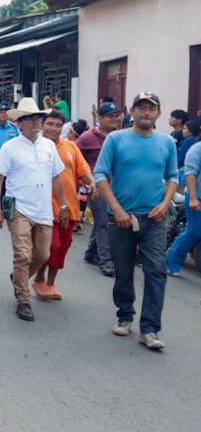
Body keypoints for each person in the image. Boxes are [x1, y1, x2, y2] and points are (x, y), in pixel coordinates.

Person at [94, 92, 178, 349]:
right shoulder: (116, 139)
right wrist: (117, 210)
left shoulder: (167, 142)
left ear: (159, 114)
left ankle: (150, 329)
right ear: (132, 110)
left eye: (151, 109)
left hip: (155, 218)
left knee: (156, 270)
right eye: (141, 108)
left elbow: (173, 176)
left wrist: (165, 205)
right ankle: (125, 314)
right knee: (123, 269)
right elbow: (100, 175)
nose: (146, 113)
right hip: (122, 218)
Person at [0, 98, 67, 322]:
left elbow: (57, 177)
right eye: (31, 119)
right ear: (20, 123)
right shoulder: (10, 147)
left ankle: (19, 277)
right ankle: (23, 300)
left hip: (43, 209)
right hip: (19, 208)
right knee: (23, 254)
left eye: (39, 118)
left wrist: (63, 205)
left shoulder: (49, 146)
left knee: (42, 254)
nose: (36, 123)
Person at [31, 110, 93, 300]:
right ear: (42, 125)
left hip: (70, 207)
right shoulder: (35, 147)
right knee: (52, 245)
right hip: (44, 207)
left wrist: (91, 183)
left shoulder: (71, 148)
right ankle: (38, 278)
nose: (53, 129)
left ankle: (50, 283)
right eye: (50, 124)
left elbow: (83, 171)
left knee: (63, 247)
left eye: (58, 125)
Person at [76, 102, 122, 277]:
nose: (114, 119)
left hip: (116, 187)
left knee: (104, 222)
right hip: (96, 188)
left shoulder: (119, 136)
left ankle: (91, 253)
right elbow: (75, 158)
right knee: (104, 223)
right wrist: (84, 180)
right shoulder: (87, 138)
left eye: (117, 115)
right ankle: (106, 261)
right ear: (99, 118)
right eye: (110, 116)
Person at [167, 138, 201, 275]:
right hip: (196, 197)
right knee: (194, 232)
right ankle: (171, 263)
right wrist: (193, 198)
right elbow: (190, 174)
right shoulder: (197, 149)